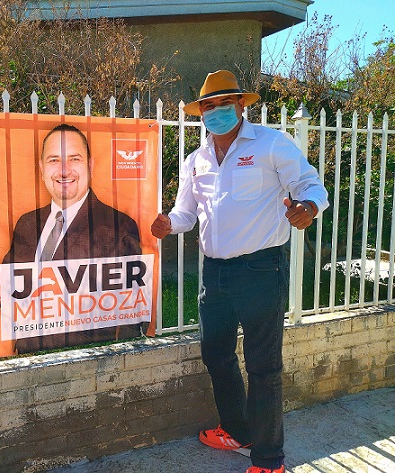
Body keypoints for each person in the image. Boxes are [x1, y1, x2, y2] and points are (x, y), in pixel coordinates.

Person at [151, 70, 328, 473]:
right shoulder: (196, 160)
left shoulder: (271, 144)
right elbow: (186, 214)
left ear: (241, 106)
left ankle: (269, 460)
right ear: (201, 113)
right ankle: (237, 431)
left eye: (223, 104)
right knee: (216, 355)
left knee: (263, 367)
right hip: (214, 273)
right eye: (208, 107)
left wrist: (308, 208)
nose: (216, 112)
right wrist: (168, 224)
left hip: (260, 270)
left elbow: (311, 186)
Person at [0, 123, 144, 353]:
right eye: (54, 160)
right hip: (27, 359)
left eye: (74, 159)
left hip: (85, 364)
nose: (64, 171)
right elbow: (7, 279)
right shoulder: (27, 224)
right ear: (42, 168)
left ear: (90, 165)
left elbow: (132, 315)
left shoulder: (119, 227)